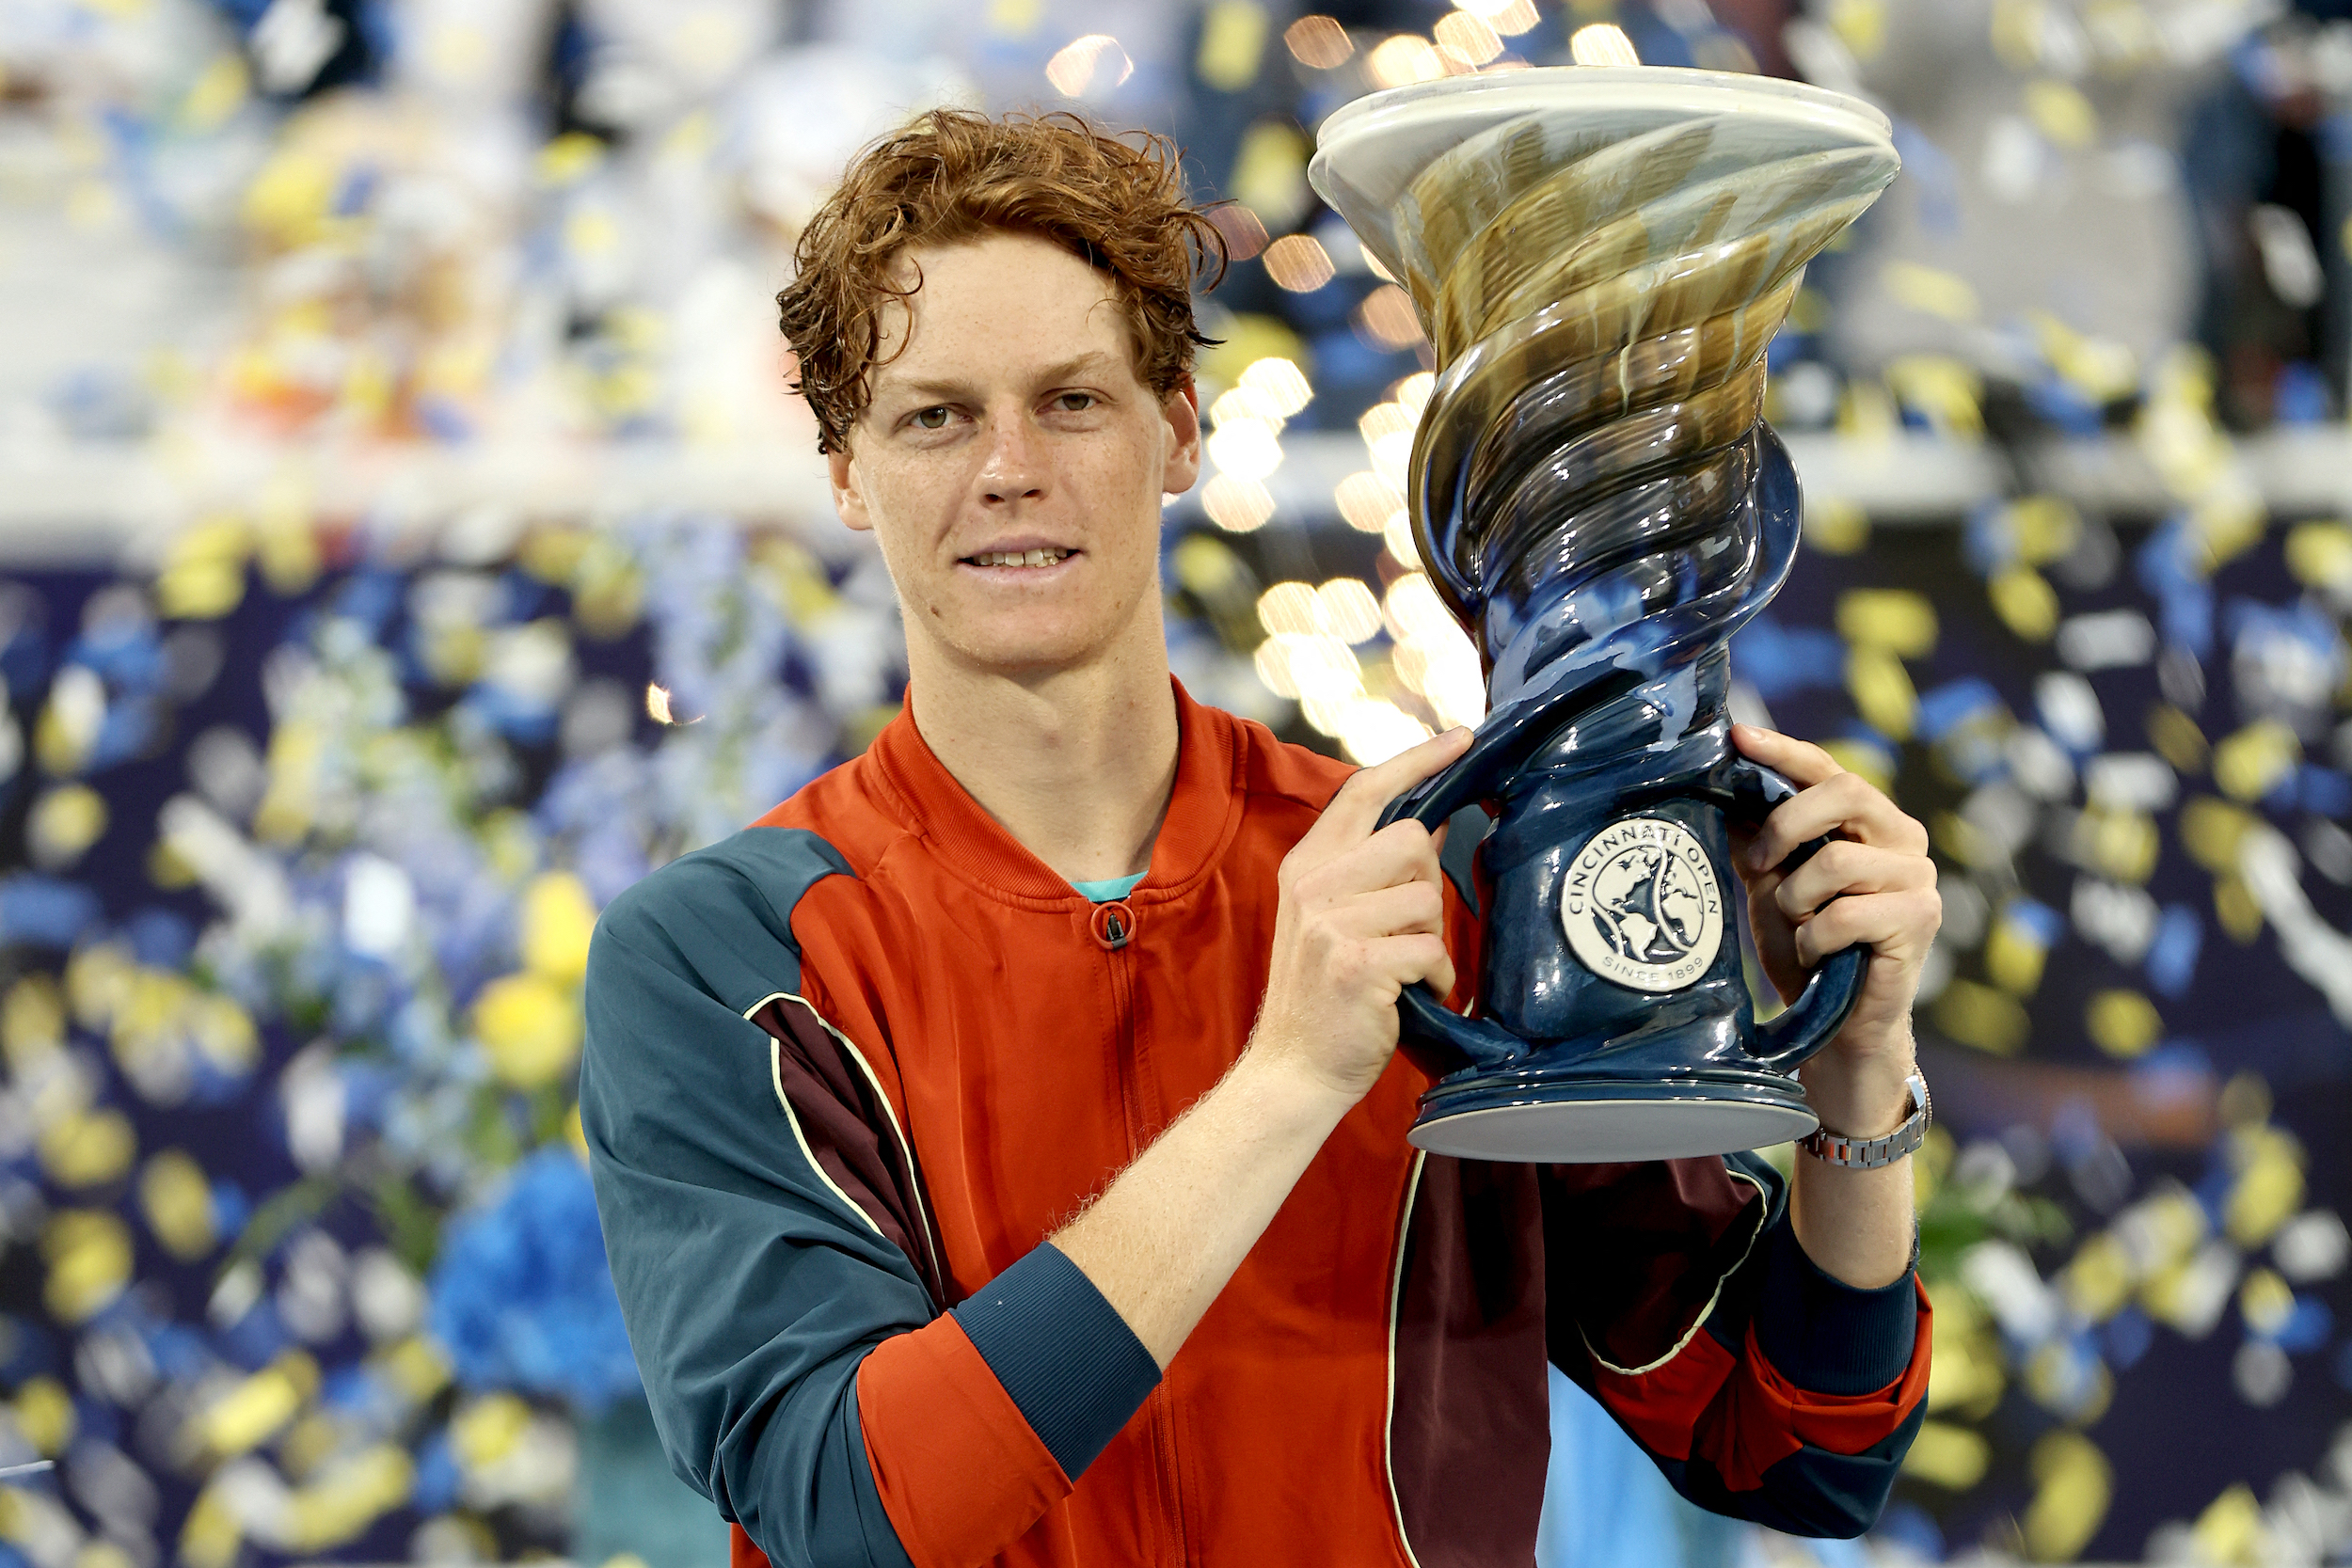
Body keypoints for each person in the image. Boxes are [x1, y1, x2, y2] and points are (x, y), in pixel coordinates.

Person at [580, 109, 1940, 1568]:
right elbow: (849, 1509)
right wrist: (1288, 1077)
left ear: (1177, 431)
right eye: (935, 415)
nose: (1010, 468)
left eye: (1074, 400)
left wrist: (1860, 1083)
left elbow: (1795, 1445)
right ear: (847, 469)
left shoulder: (1427, 884)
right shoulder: (725, 958)